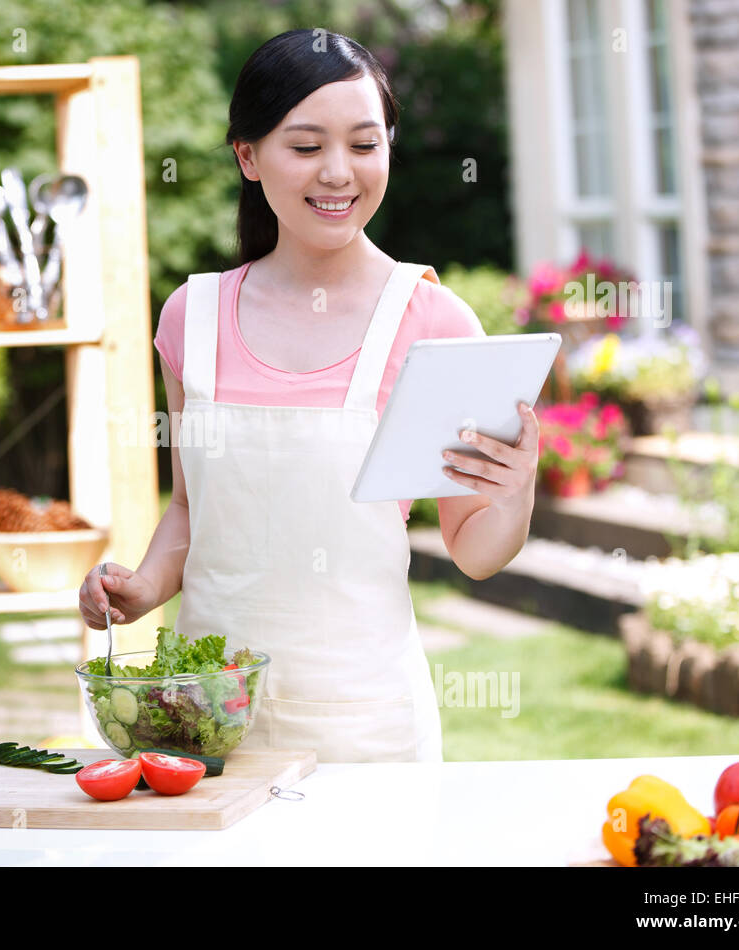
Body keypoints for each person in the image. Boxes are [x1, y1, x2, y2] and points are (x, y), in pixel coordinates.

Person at [77, 29, 541, 762]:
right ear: (248, 156)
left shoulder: (436, 320)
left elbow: (474, 548)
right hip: (209, 724)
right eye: (305, 146)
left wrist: (513, 496)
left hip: (368, 728)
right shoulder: (189, 319)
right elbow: (191, 511)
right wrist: (142, 586)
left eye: (364, 144)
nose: (338, 172)